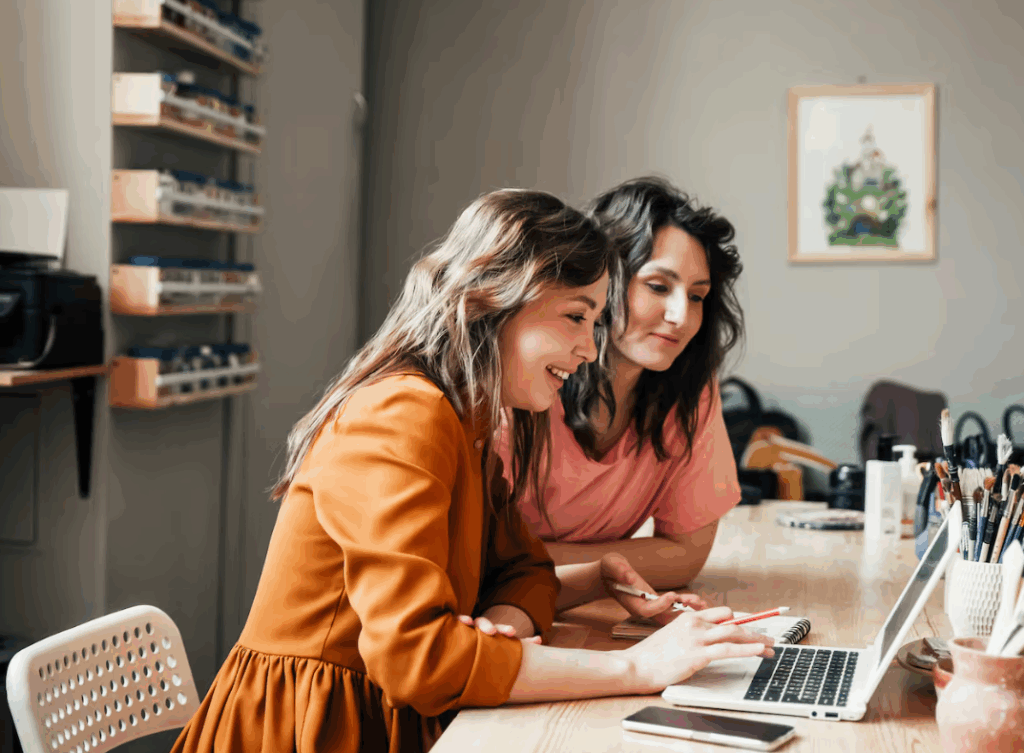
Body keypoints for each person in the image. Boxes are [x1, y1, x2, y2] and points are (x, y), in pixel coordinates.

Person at [170, 189, 771, 753]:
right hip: (312, 727)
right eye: (576, 317)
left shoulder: (472, 418)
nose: (590, 350)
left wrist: (570, 589)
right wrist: (637, 668)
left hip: (390, 716)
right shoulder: (403, 412)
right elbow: (418, 660)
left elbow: (523, 568)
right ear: (494, 298)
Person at [500, 176, 746, 592]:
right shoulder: (523, 379)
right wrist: (622, 564)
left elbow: (685, 556)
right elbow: (479, 562)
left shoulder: (690, 390)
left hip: (571, 608)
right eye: (658, 286)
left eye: (697, 296)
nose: (680, 316)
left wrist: (541, 563)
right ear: (603, 278)